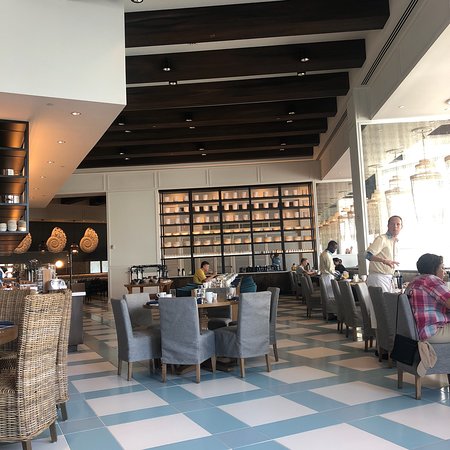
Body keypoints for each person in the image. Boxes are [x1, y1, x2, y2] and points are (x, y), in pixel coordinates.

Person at [408, 253, 450, 343]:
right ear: (434, 269)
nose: (445, 272)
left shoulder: (414, 281)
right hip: (432, 331)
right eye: (442, 268)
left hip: (419, 330)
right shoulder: (431, 280)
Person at [366, 215, 402, 293]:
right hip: (378, 277)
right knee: (381, 301)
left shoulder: (394, 241)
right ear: (388, 226)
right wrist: (384, 261)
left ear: (401, 227)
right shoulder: (382, 239)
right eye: (392, 224)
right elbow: (367, 255)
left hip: (388, 278)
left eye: (398, 224)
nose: (395, 226)